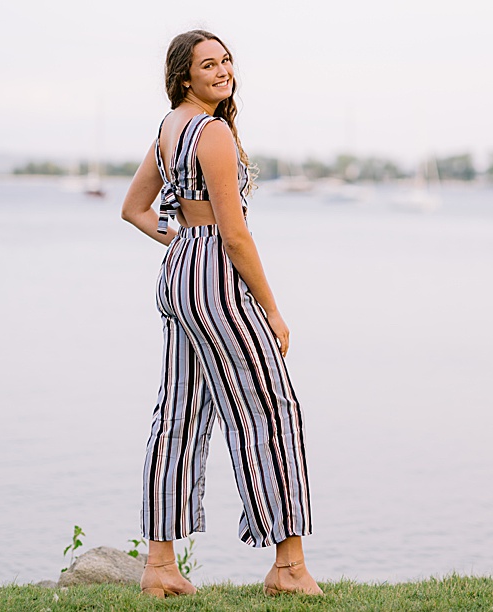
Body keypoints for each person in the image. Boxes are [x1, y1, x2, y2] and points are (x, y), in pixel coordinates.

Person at [119, 30, 322, 598]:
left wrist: (182, 245)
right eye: (208, 64)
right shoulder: (213, 133)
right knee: (271, 410)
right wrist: (273, 310)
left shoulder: (169, 129)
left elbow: (135, 209)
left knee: (179, 414)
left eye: (227, 60)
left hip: (181, 273)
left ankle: (159, 566)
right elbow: (234, 235)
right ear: (185, 75)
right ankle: (288, 567)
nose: (222, 70)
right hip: (216, 279)